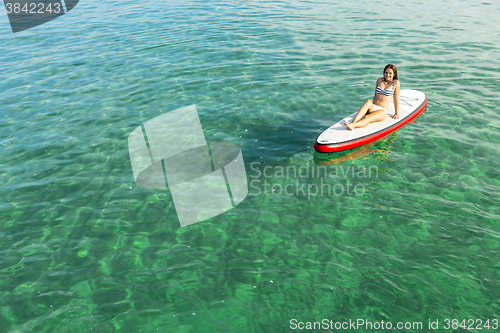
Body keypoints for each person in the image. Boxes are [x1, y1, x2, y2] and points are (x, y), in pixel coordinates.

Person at [343, 64, 400, 131]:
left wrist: (396, 113)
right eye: (386, 73)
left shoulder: (396, 83)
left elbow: (396, 99)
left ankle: (353, 125)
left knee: (367, 117)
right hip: (373, 106)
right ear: (384, 73)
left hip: (382, 111)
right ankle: (353, 122)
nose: (387, 75)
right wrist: (370, 108)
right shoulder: (379, 80)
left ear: (394, 74)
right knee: (368, 101)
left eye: (390, 73)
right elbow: (375, 95)